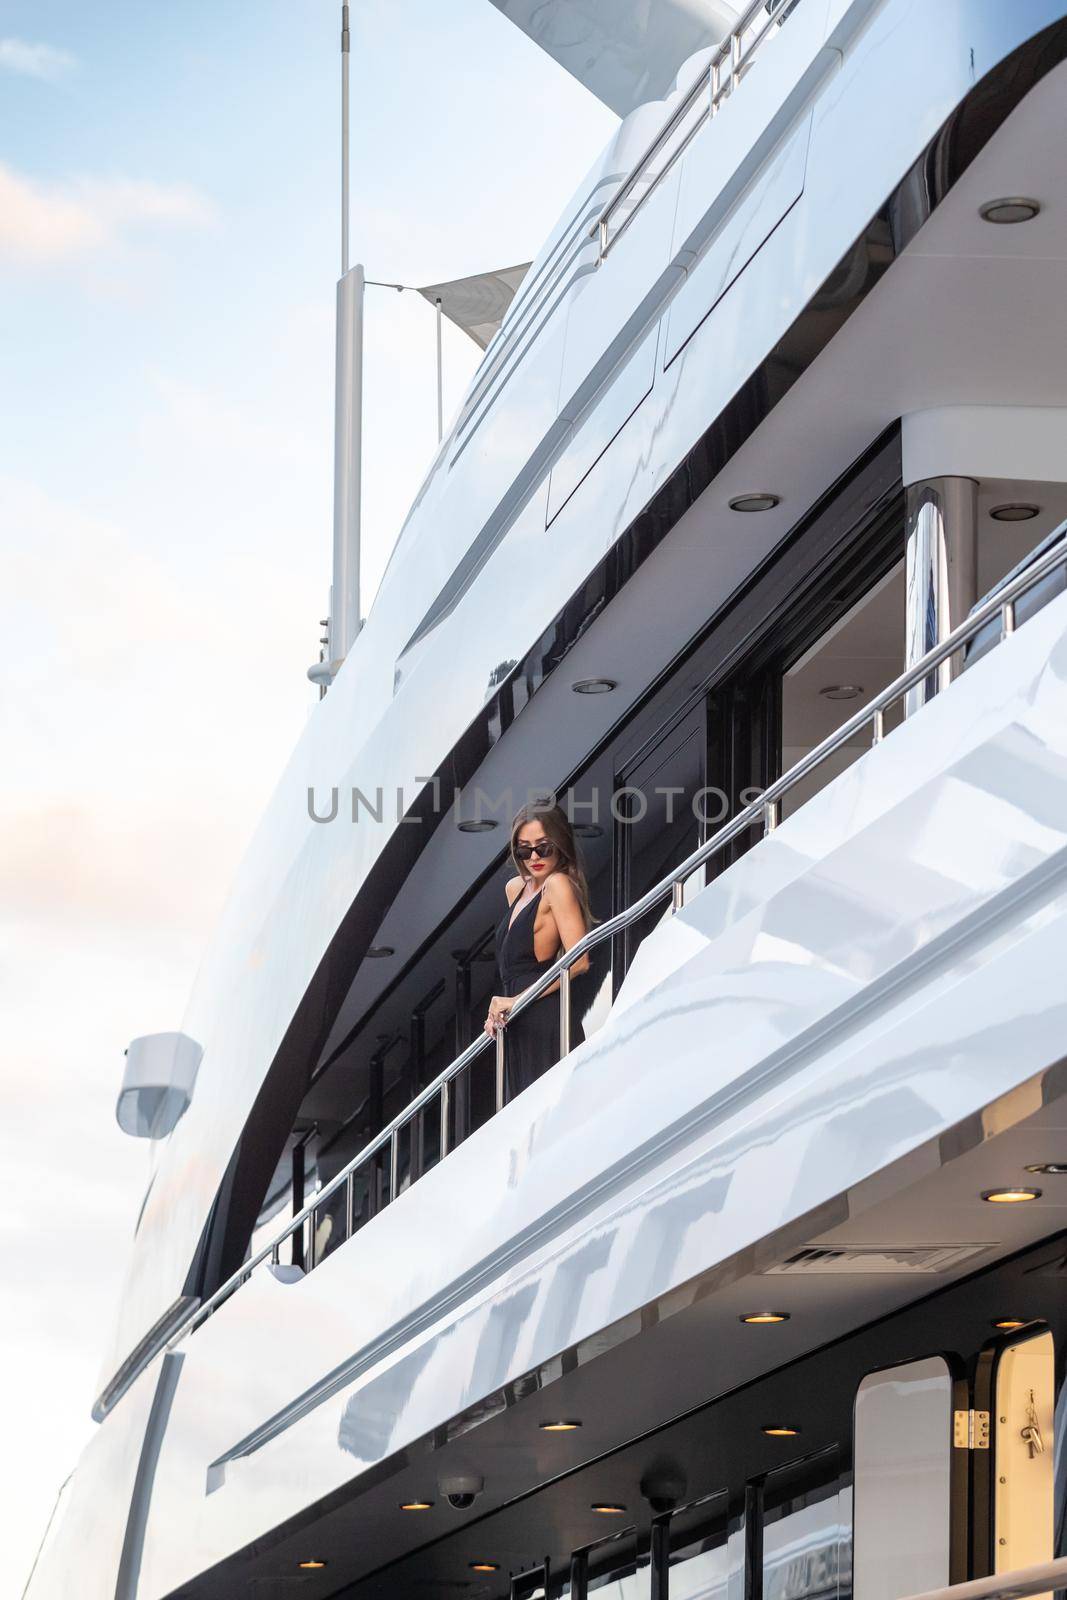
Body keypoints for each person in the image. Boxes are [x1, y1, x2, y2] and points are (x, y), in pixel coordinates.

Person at [485, 802, 593, 1101]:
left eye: (543, 848)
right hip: (518, 1022)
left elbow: (579, 961)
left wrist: (516, 1000)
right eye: (524, 850)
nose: (534, 857)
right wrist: (499, 1010)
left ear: (559, 845)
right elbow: (514, 964)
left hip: (543, 1016)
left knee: (551, 1111)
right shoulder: (515, 888)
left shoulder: (558, 885)